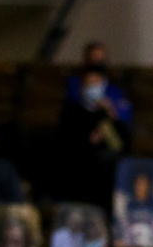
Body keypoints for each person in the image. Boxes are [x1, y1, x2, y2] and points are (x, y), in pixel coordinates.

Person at [56, 67, 131, 210]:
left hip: (107, 168)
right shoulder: (71, 113)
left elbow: (122, 145)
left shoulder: (106, 113)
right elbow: (66, 144)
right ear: (82, 87)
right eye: (90, 84)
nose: (93, 88)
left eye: (97, 83)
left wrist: (112, 115)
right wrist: (91, 139)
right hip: (80, 164)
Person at [65, 42, 133, 126]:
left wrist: (109, 109)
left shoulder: (114, 88)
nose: (97, 63)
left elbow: (124, 113)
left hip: (107, 128)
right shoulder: (75, 83)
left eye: (101, 60)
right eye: (94, 59)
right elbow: (73, 106)